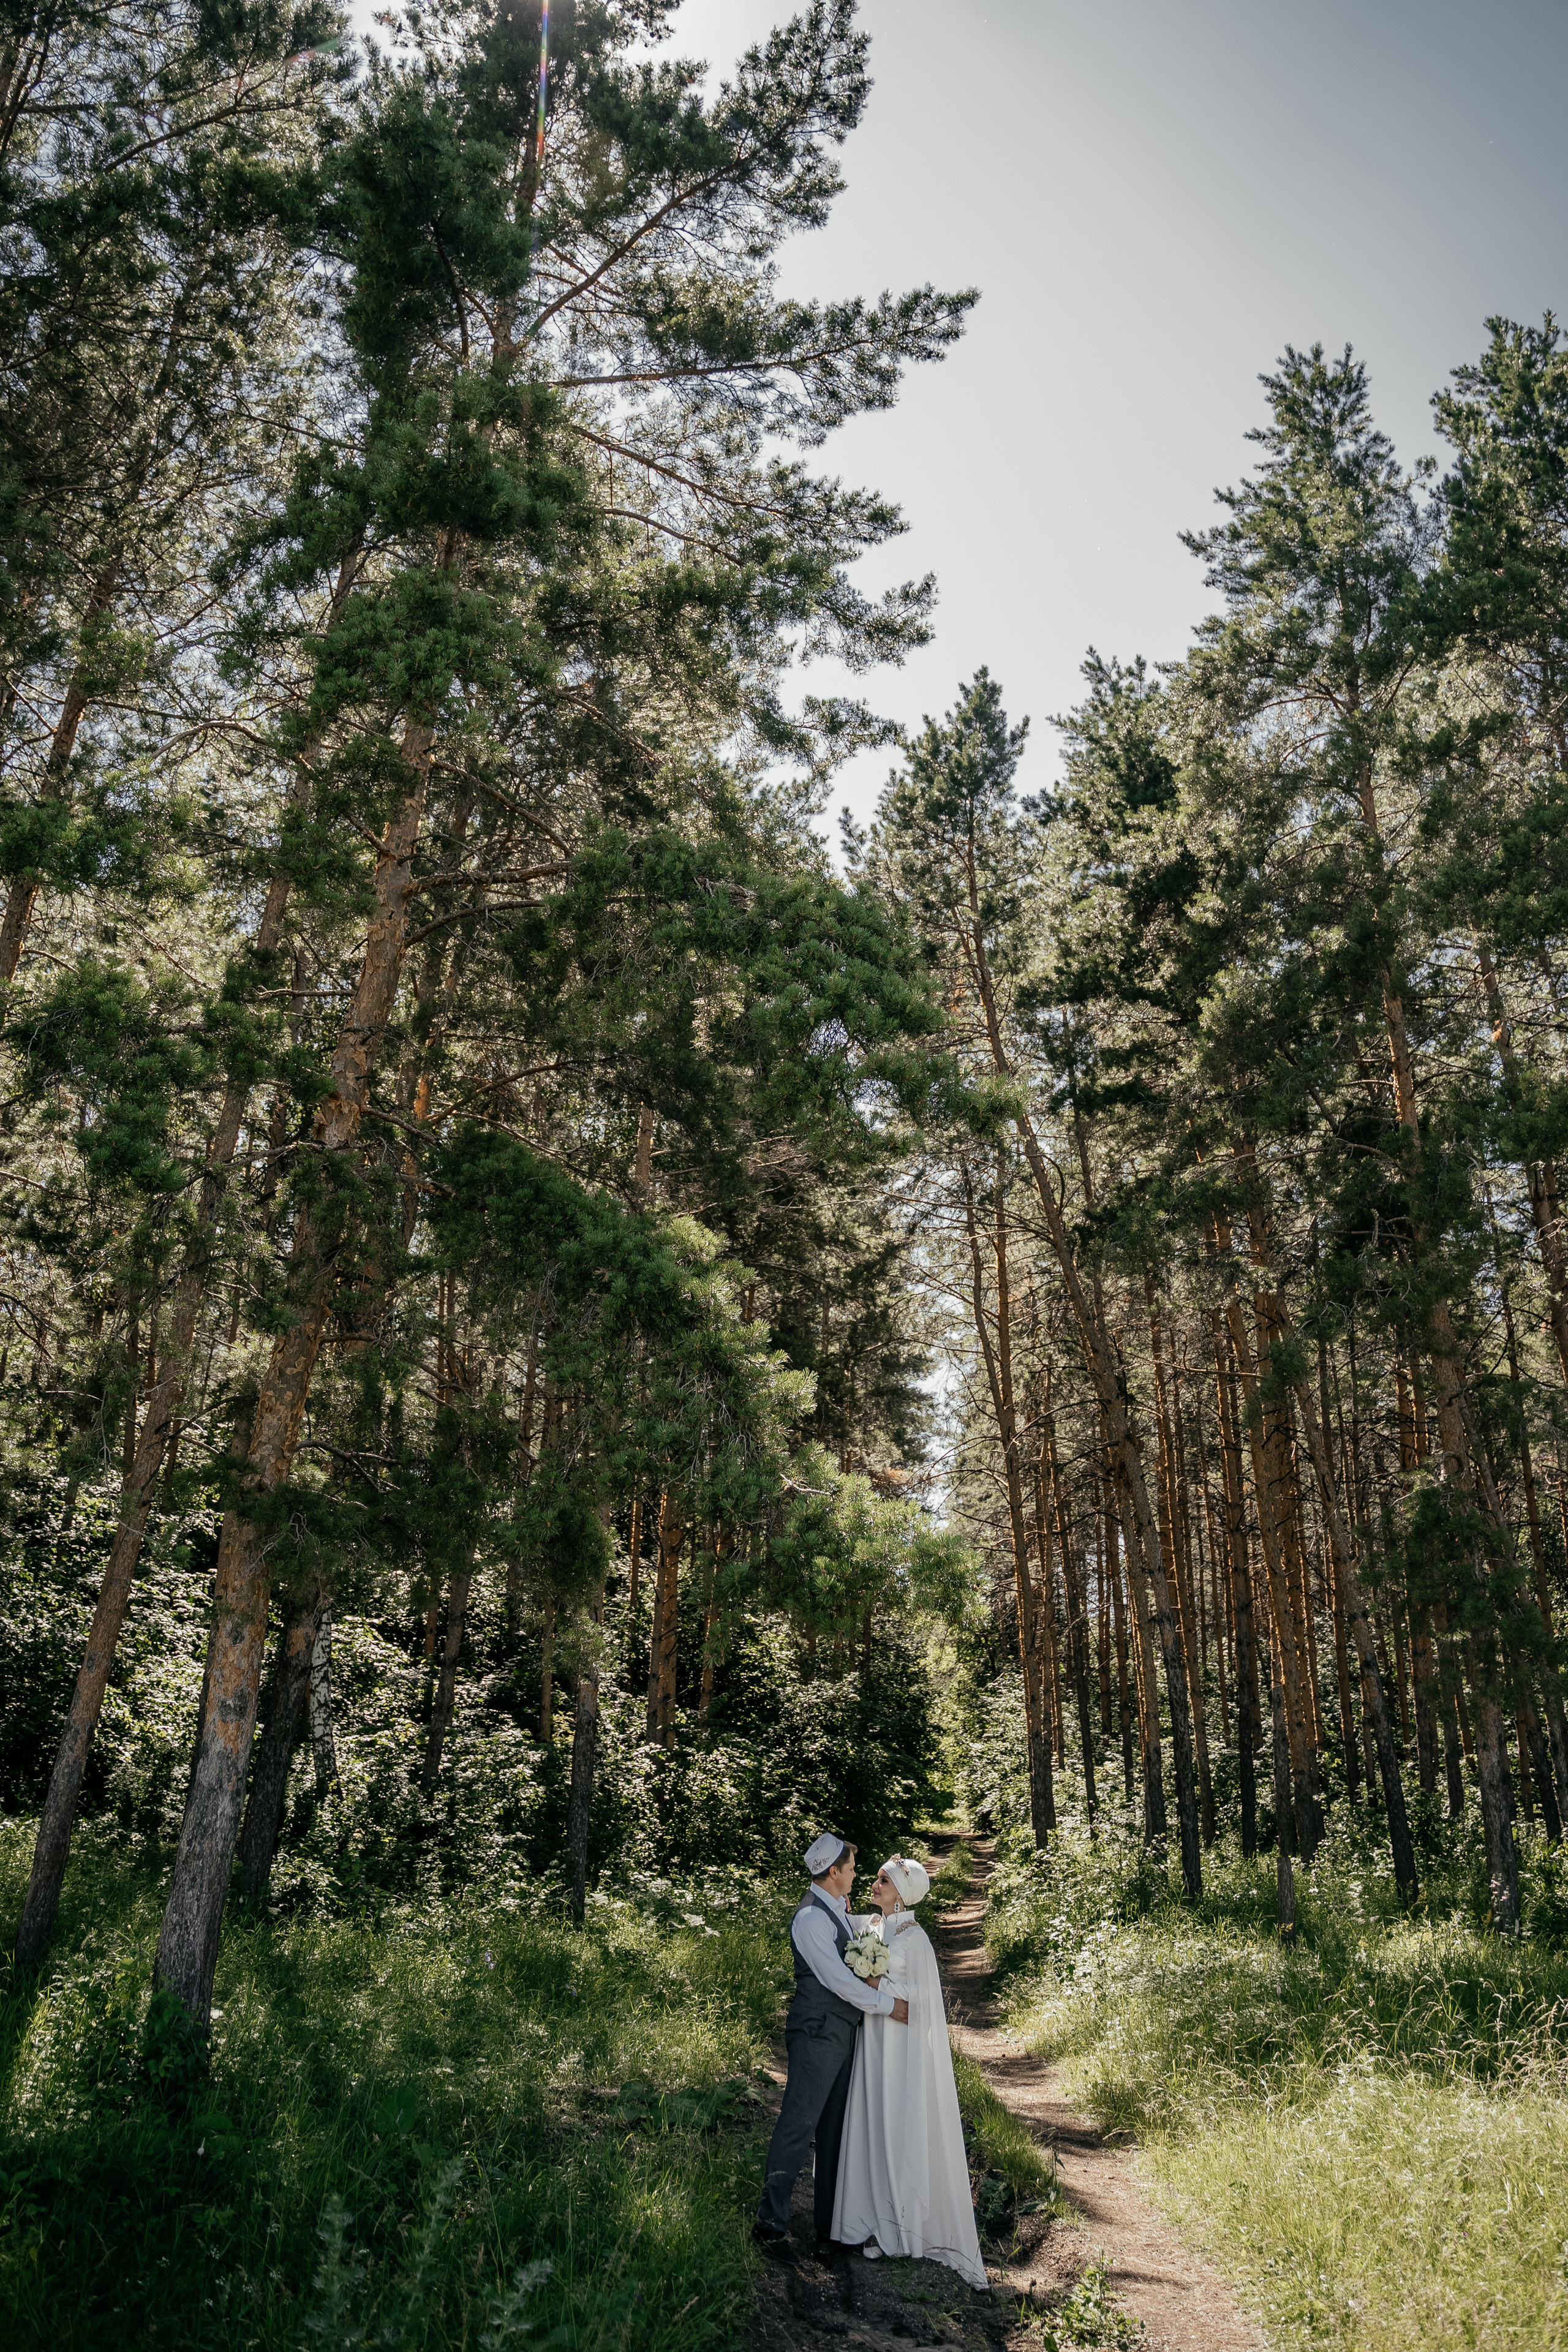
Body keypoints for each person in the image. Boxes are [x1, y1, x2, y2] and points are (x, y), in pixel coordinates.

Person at [831, 1853, 987, 2289]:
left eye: (884, 1879)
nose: (876, 1883)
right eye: (877, 1876)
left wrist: (873, 1982)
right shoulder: (877, 1927)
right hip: (874, 2042)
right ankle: (867, 2216)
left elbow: (920, 2006)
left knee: (897, 2123)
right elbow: (843, 1924)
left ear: (904, 1892)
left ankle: (899, 2227)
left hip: (900, 2048)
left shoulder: (915, 1939)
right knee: (872, 2119)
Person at [753, 1831, 910, 2261]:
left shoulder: (836, 1910)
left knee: (835, 2130)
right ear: (833, 1872)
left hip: (840, 2032)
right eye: (853, 1867)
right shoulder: (810, 1919)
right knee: (798, 2125)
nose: (858, 1873)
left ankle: (831, 2225)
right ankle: (770, 2227)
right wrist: (886, 2005)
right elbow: (838, 1981)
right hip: (818, 2031)